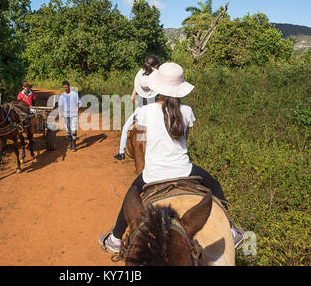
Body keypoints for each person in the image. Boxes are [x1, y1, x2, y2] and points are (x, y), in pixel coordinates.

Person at [99, 62, 244, 253]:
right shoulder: (187, 111)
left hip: (153, 174)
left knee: (130, 194)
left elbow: (141, 141)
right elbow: (185, 141)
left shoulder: (145, 112)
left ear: (157, 86)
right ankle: (232, 231)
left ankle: (116, 239)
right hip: (185, 169)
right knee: (215, 185)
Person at [114, 55, 161, 160]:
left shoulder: (142, 75)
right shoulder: (157, 77)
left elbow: (133, 95)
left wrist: (136, 101)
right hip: (155, 108)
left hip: (141, 107)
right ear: (156, 65)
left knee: (126, 127)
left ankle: (122, 152)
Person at [58, 81, 81, 151]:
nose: (65, 88)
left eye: (66, 87)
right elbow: (60, 106)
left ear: (69, 86)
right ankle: (70, 144)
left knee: (73, 130)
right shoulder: (62, 96)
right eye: (64, 87)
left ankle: (74, 145)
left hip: (73, 115)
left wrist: (78, 108)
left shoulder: (74, 94)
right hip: (66, 115)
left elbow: (79, 103)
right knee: (68, 131)